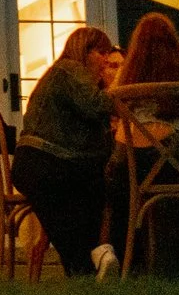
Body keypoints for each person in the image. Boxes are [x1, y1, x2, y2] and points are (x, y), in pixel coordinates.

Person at [10, 25, 122, 280]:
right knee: (101, 189)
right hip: (45, 162)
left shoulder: (60, 75)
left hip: (36, 162)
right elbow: (96, 105)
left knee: (95, 186)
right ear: (84, 51)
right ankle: (93, 264)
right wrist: (125, 98)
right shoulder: (70, 70)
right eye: (101, 52)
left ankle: (91, 265)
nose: (106, 59)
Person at [110, 12, 179, 278]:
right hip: (170, 158)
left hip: (131, 161)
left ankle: (119, 256)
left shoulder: (126, 76)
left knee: (114, 181)